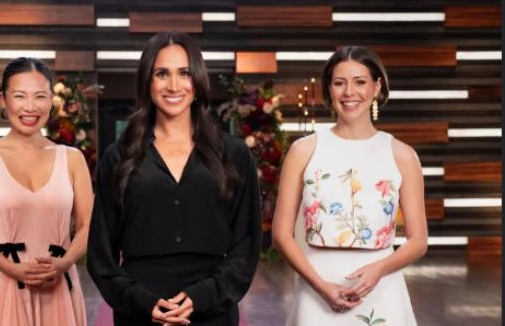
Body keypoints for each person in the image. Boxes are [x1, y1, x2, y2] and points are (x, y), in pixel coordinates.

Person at [87, 32, 261, 326]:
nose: (173, 85)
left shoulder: (234, 154)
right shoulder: (118, 157)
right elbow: (101, 255)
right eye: (162, 74)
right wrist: (142, 302)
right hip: (139, 314)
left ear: (198, 81)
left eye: (184, 73)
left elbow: (247, 245)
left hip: (213, 312)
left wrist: (202, 296)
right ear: (147, 82)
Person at [273, 46, 427, 325]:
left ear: (377, 87)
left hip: (382, 289)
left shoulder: (403, 155)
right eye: (339, 83)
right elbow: (281, 235)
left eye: (360, 82)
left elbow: (418, 241)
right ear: (329, 89)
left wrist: (380, 269)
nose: (349, 92)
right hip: (316, 288)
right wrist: (321, 286)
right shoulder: (303, 150)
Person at [0, 57, 91, 326]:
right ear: (3, 99)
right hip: (4, 284)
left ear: (51, 100)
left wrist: (63, 263)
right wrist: (11, 268)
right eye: (19, 96)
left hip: (60, 284)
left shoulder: (72, 158)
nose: (30, 107)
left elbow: (89, 225)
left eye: (39, 96)